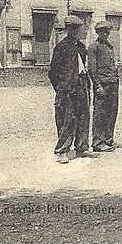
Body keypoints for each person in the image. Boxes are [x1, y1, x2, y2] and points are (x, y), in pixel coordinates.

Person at [48, 15, 94, 163]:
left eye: (80, 29)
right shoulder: (61, 47)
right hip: (66, 89)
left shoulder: (81, 47)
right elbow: (53, 72)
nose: (80, 31)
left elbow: (83, 67)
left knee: (83, 117)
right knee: (66, 119)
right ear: (70, 30)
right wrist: (61, 87)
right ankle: (62, 151)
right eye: (77, 29)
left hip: (81, 86)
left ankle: (81, 147)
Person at [91, 20, 121, 151]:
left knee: (111, 112)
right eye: (102, 31)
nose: (105, 33)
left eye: (107, 31)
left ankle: (108, 139)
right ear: (98, 32)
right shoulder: (94, 47)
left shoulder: (109, 46)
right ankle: (98, 142)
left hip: (113, 84)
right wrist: (97, 86)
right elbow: (92, 69)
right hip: (102, 85)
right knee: (100, 113)